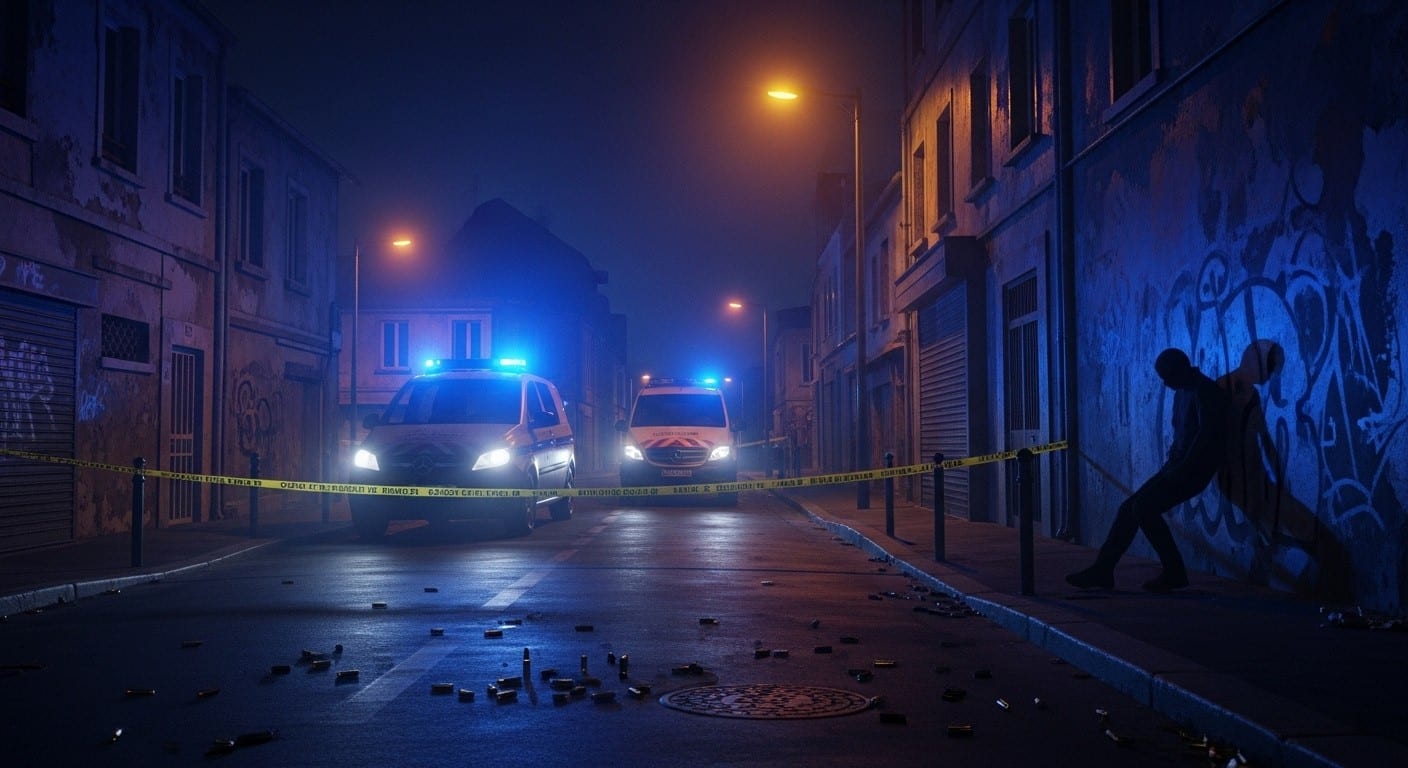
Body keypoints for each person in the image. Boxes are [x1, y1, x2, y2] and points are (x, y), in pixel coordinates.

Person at [1067, 348, 1228, 593]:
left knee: (1142, 508)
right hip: (1177, 468)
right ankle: (1104, 569)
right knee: (1129, 509)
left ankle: (1172, 571)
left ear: (1181, 369)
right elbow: (1182, 435)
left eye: (1167, 375)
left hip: (1193, 471)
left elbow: (1206, 436)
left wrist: (1182, 468)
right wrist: (1172, 463)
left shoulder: (1205, 391)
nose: (1165, 382)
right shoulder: (1183, 392)